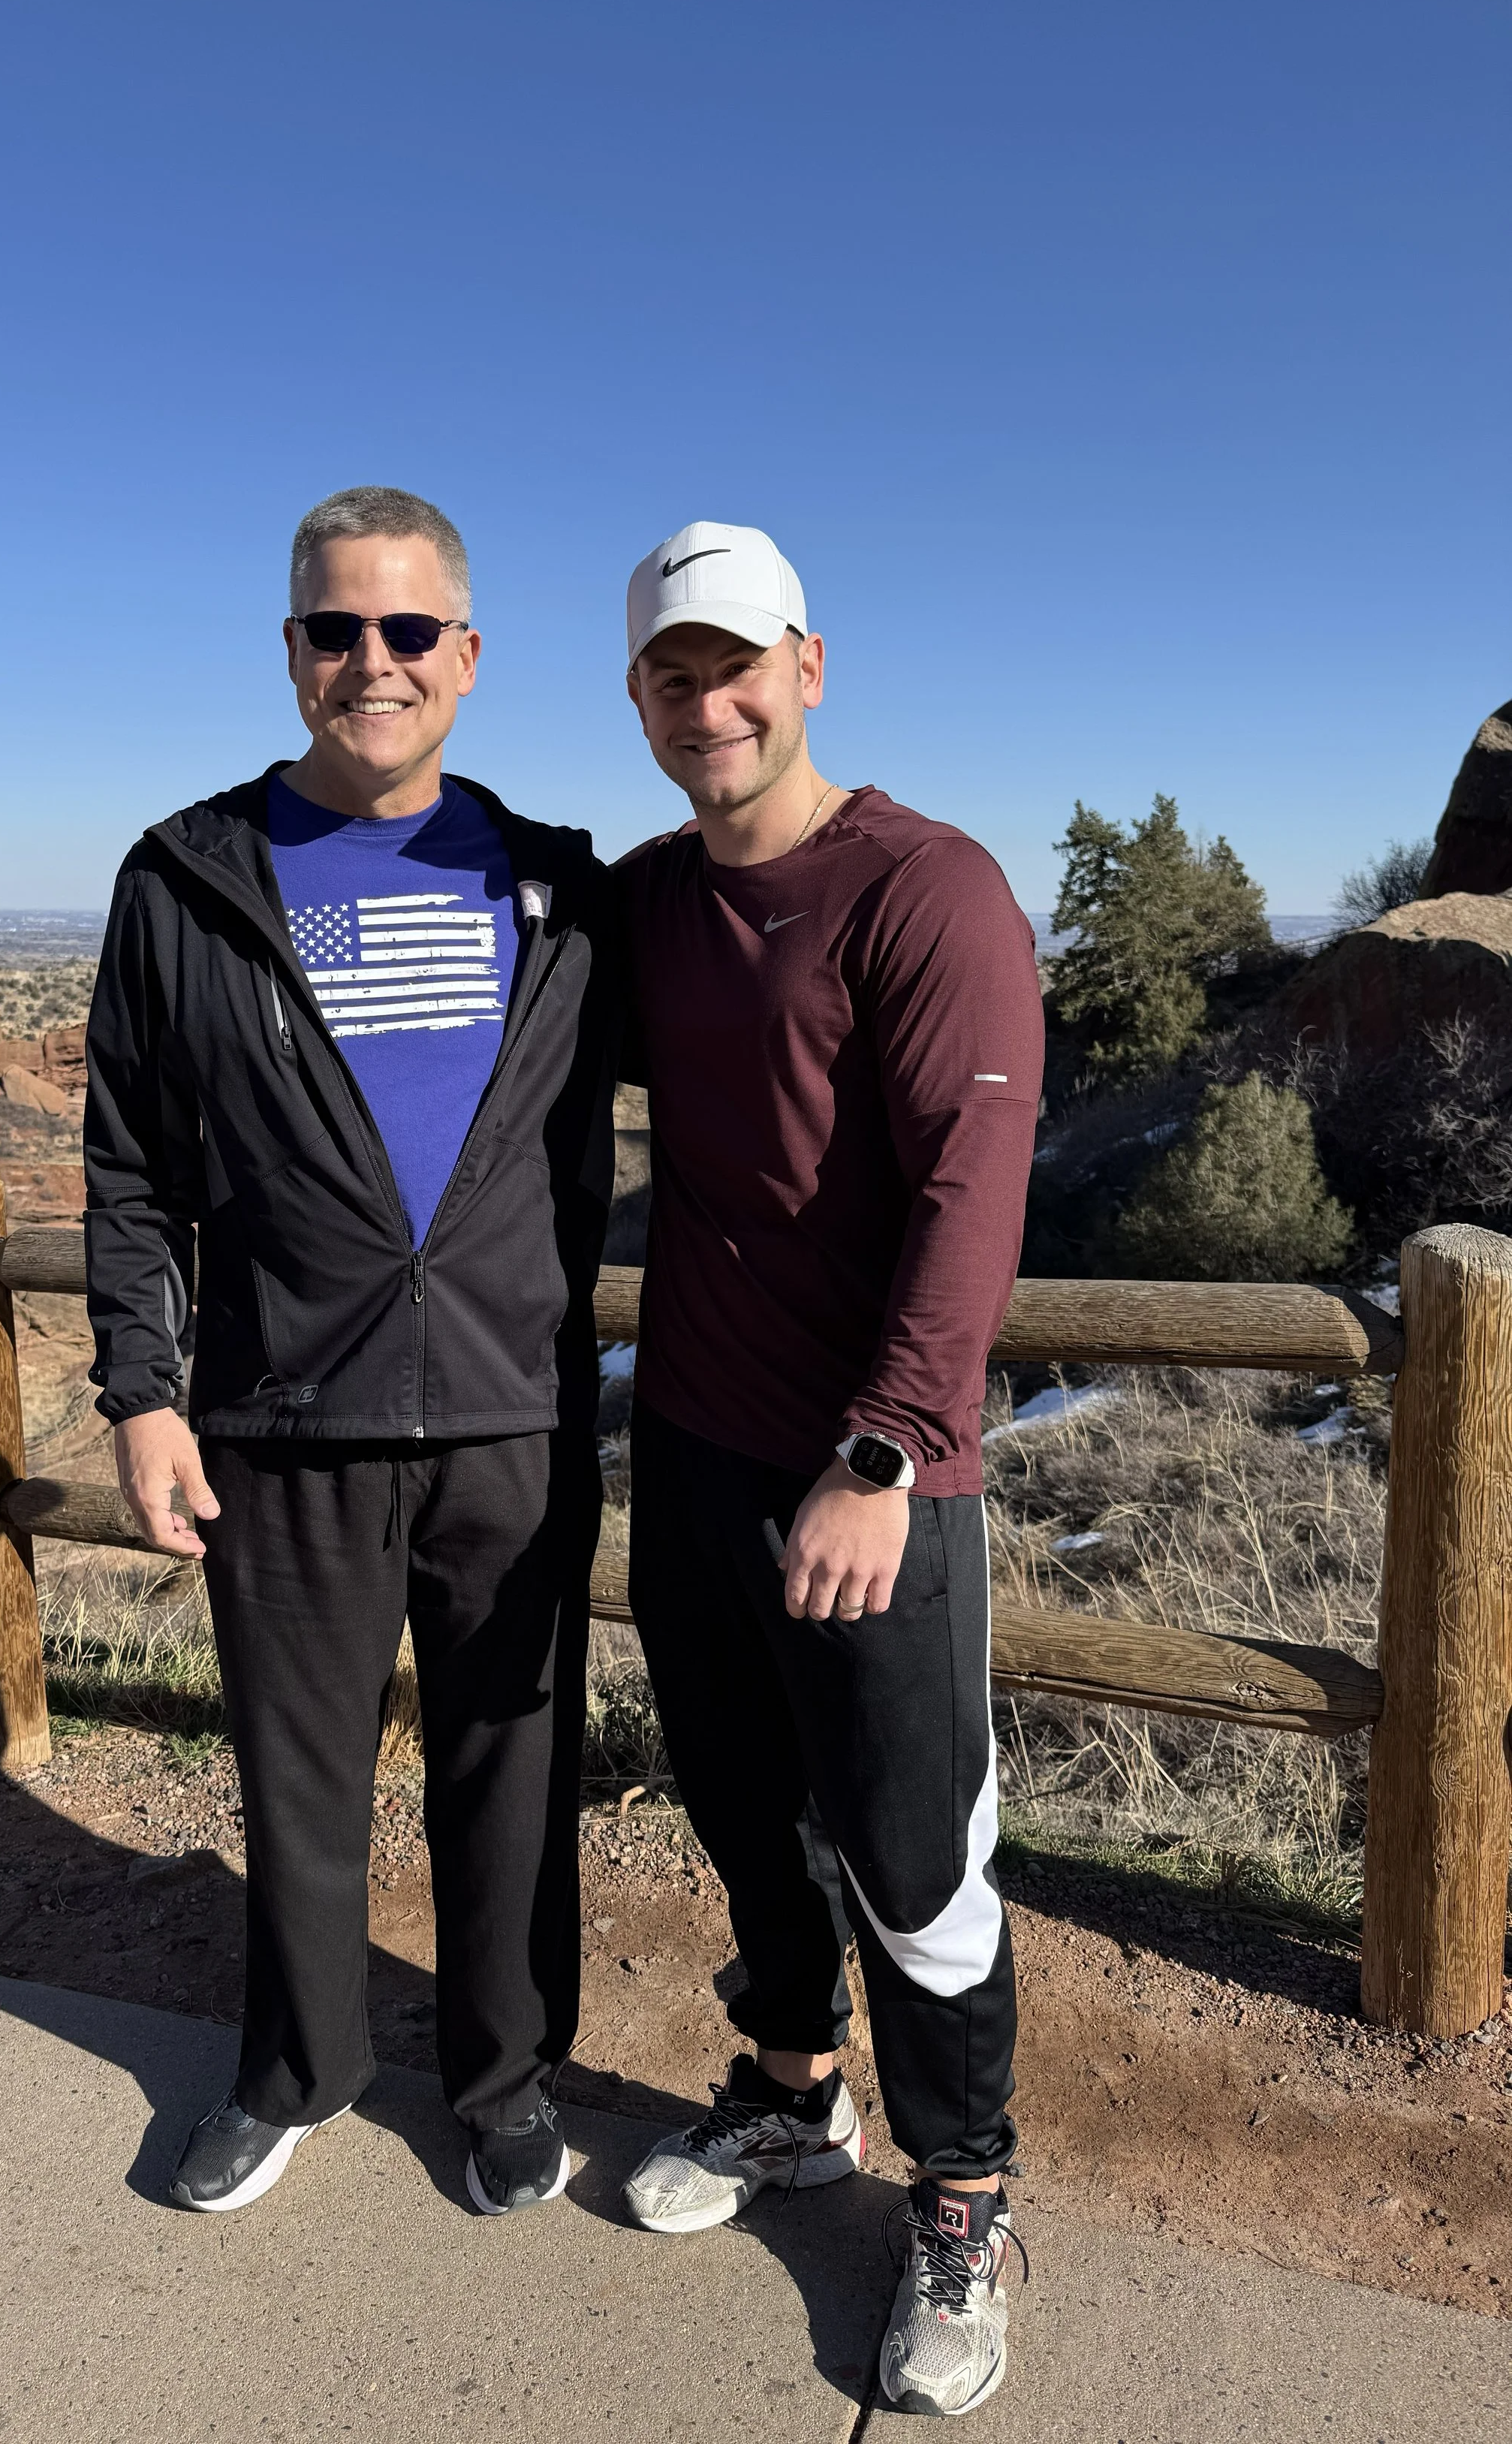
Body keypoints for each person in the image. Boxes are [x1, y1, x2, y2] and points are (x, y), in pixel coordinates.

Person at [83, 485, 616, 2219]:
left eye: (405, 631)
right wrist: (143, 1391)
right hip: (279, 1408)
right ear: (291, 649)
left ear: (465, 653)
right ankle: (297, 2065)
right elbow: (131, 1165)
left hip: (510, 1412)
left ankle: (504, 2076)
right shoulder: (184, 879)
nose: (368, 663)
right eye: (335, 629)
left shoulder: (560, 882)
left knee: (511, 1766)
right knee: (296, 1772)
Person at [612, 523, 1044, 2415]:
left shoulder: (923, 886)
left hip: (877, 1477)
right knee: (735, 1804)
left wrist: (881, 1449)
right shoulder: (644, 902)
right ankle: (796, 2096)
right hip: (694, 1452)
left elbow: (970, 1197)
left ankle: (959, 2200)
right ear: (637, 699)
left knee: (913, 1857)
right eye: (667, 675)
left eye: (733, 666)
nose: (706, 703)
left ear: (804, 662)